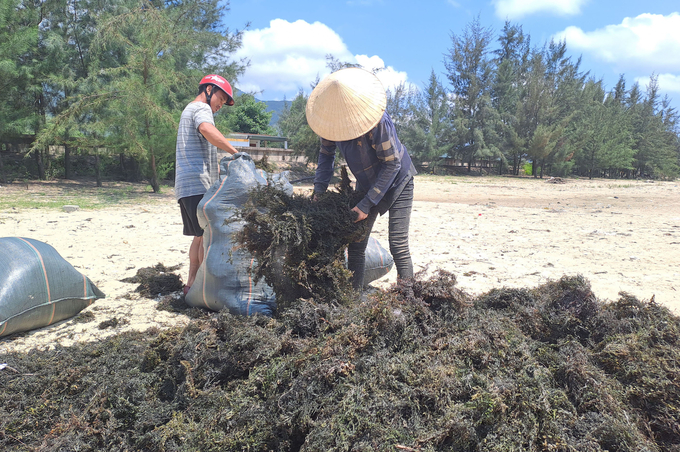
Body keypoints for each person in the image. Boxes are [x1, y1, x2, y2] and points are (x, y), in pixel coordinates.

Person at [305, 67, 417, 290]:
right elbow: (326, 156)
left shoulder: (377, 122)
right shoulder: (329, 124)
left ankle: (408, 297)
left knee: (398, 244)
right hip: (366, 182)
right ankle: (353, 299)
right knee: (356, 244)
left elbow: (392, 164)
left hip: (398, 181)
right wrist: (318, 192)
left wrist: (366, 204)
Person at [175, 74, 239, 294]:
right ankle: (202, 287)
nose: (220, 105)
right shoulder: (201, 109)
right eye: (220, 98)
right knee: (206, 238)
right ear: (209, 90)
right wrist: (235, 152)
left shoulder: (188, 109)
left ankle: (191, 284)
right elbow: (206, 129)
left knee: (199, 236)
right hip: (198, 183)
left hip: (185, 186)